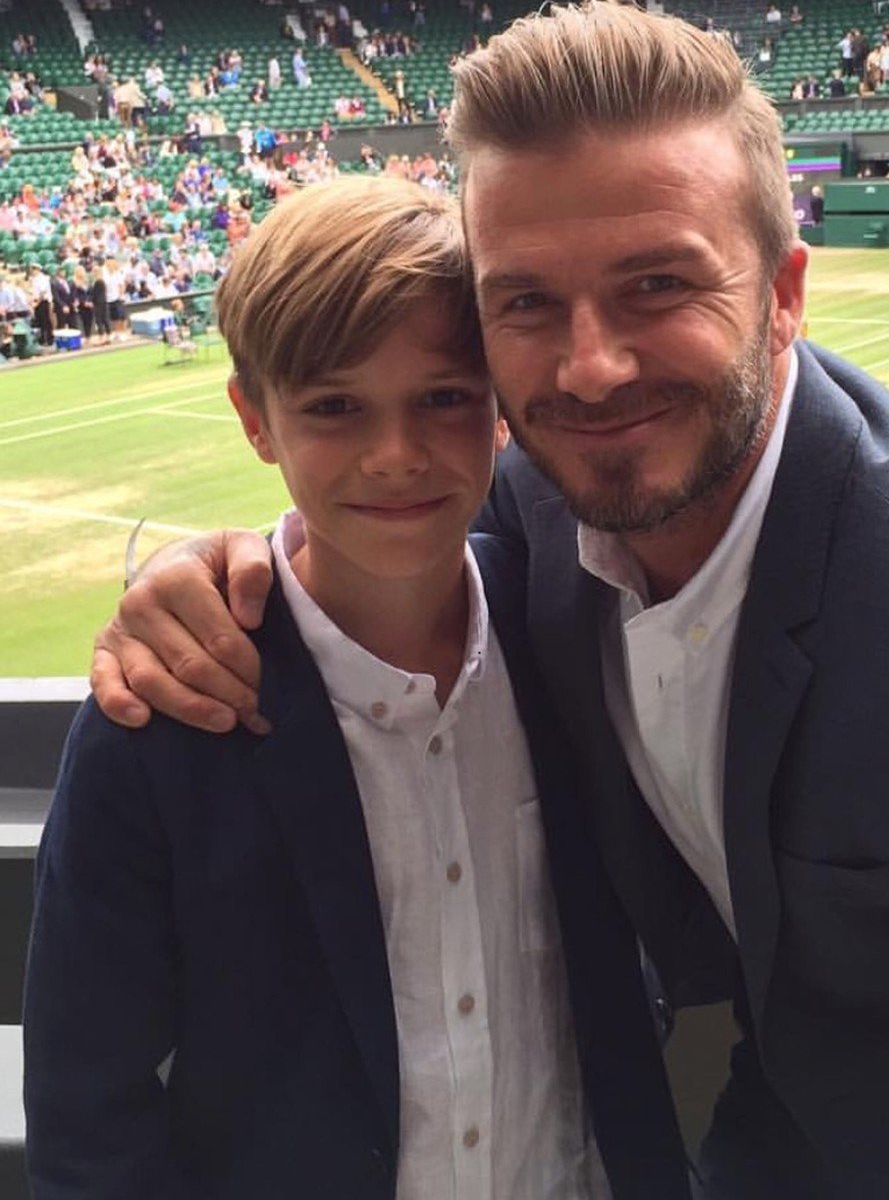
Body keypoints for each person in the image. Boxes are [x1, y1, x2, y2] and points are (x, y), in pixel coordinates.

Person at [91, 0, 889, 1198]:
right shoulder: (531, 513)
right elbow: (380, 525)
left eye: (656, 284)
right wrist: (194, 581)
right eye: (523, 302)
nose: (587, 367)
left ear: (783, 293)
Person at [27, 176, 688, 1200]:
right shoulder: (158, 722)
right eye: (335, 406)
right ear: (256, 419)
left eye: (441, 398)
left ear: (499, 408)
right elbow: (87, 1107)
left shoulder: (576, 624)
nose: (395, 455)